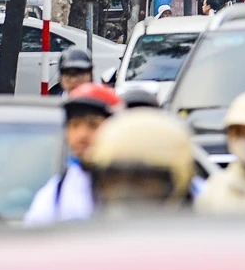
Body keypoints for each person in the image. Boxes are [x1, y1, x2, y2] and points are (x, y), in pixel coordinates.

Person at [24, 84, 123, 226]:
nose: (81, 135)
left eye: (93, 125)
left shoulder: (141, 184)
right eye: (74, 125)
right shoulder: (54, 196)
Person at [87, 109, 195, 217]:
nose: (126, 192)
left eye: (143, 181)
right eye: (115, 180)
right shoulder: (85, 230)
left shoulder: (202, 230)